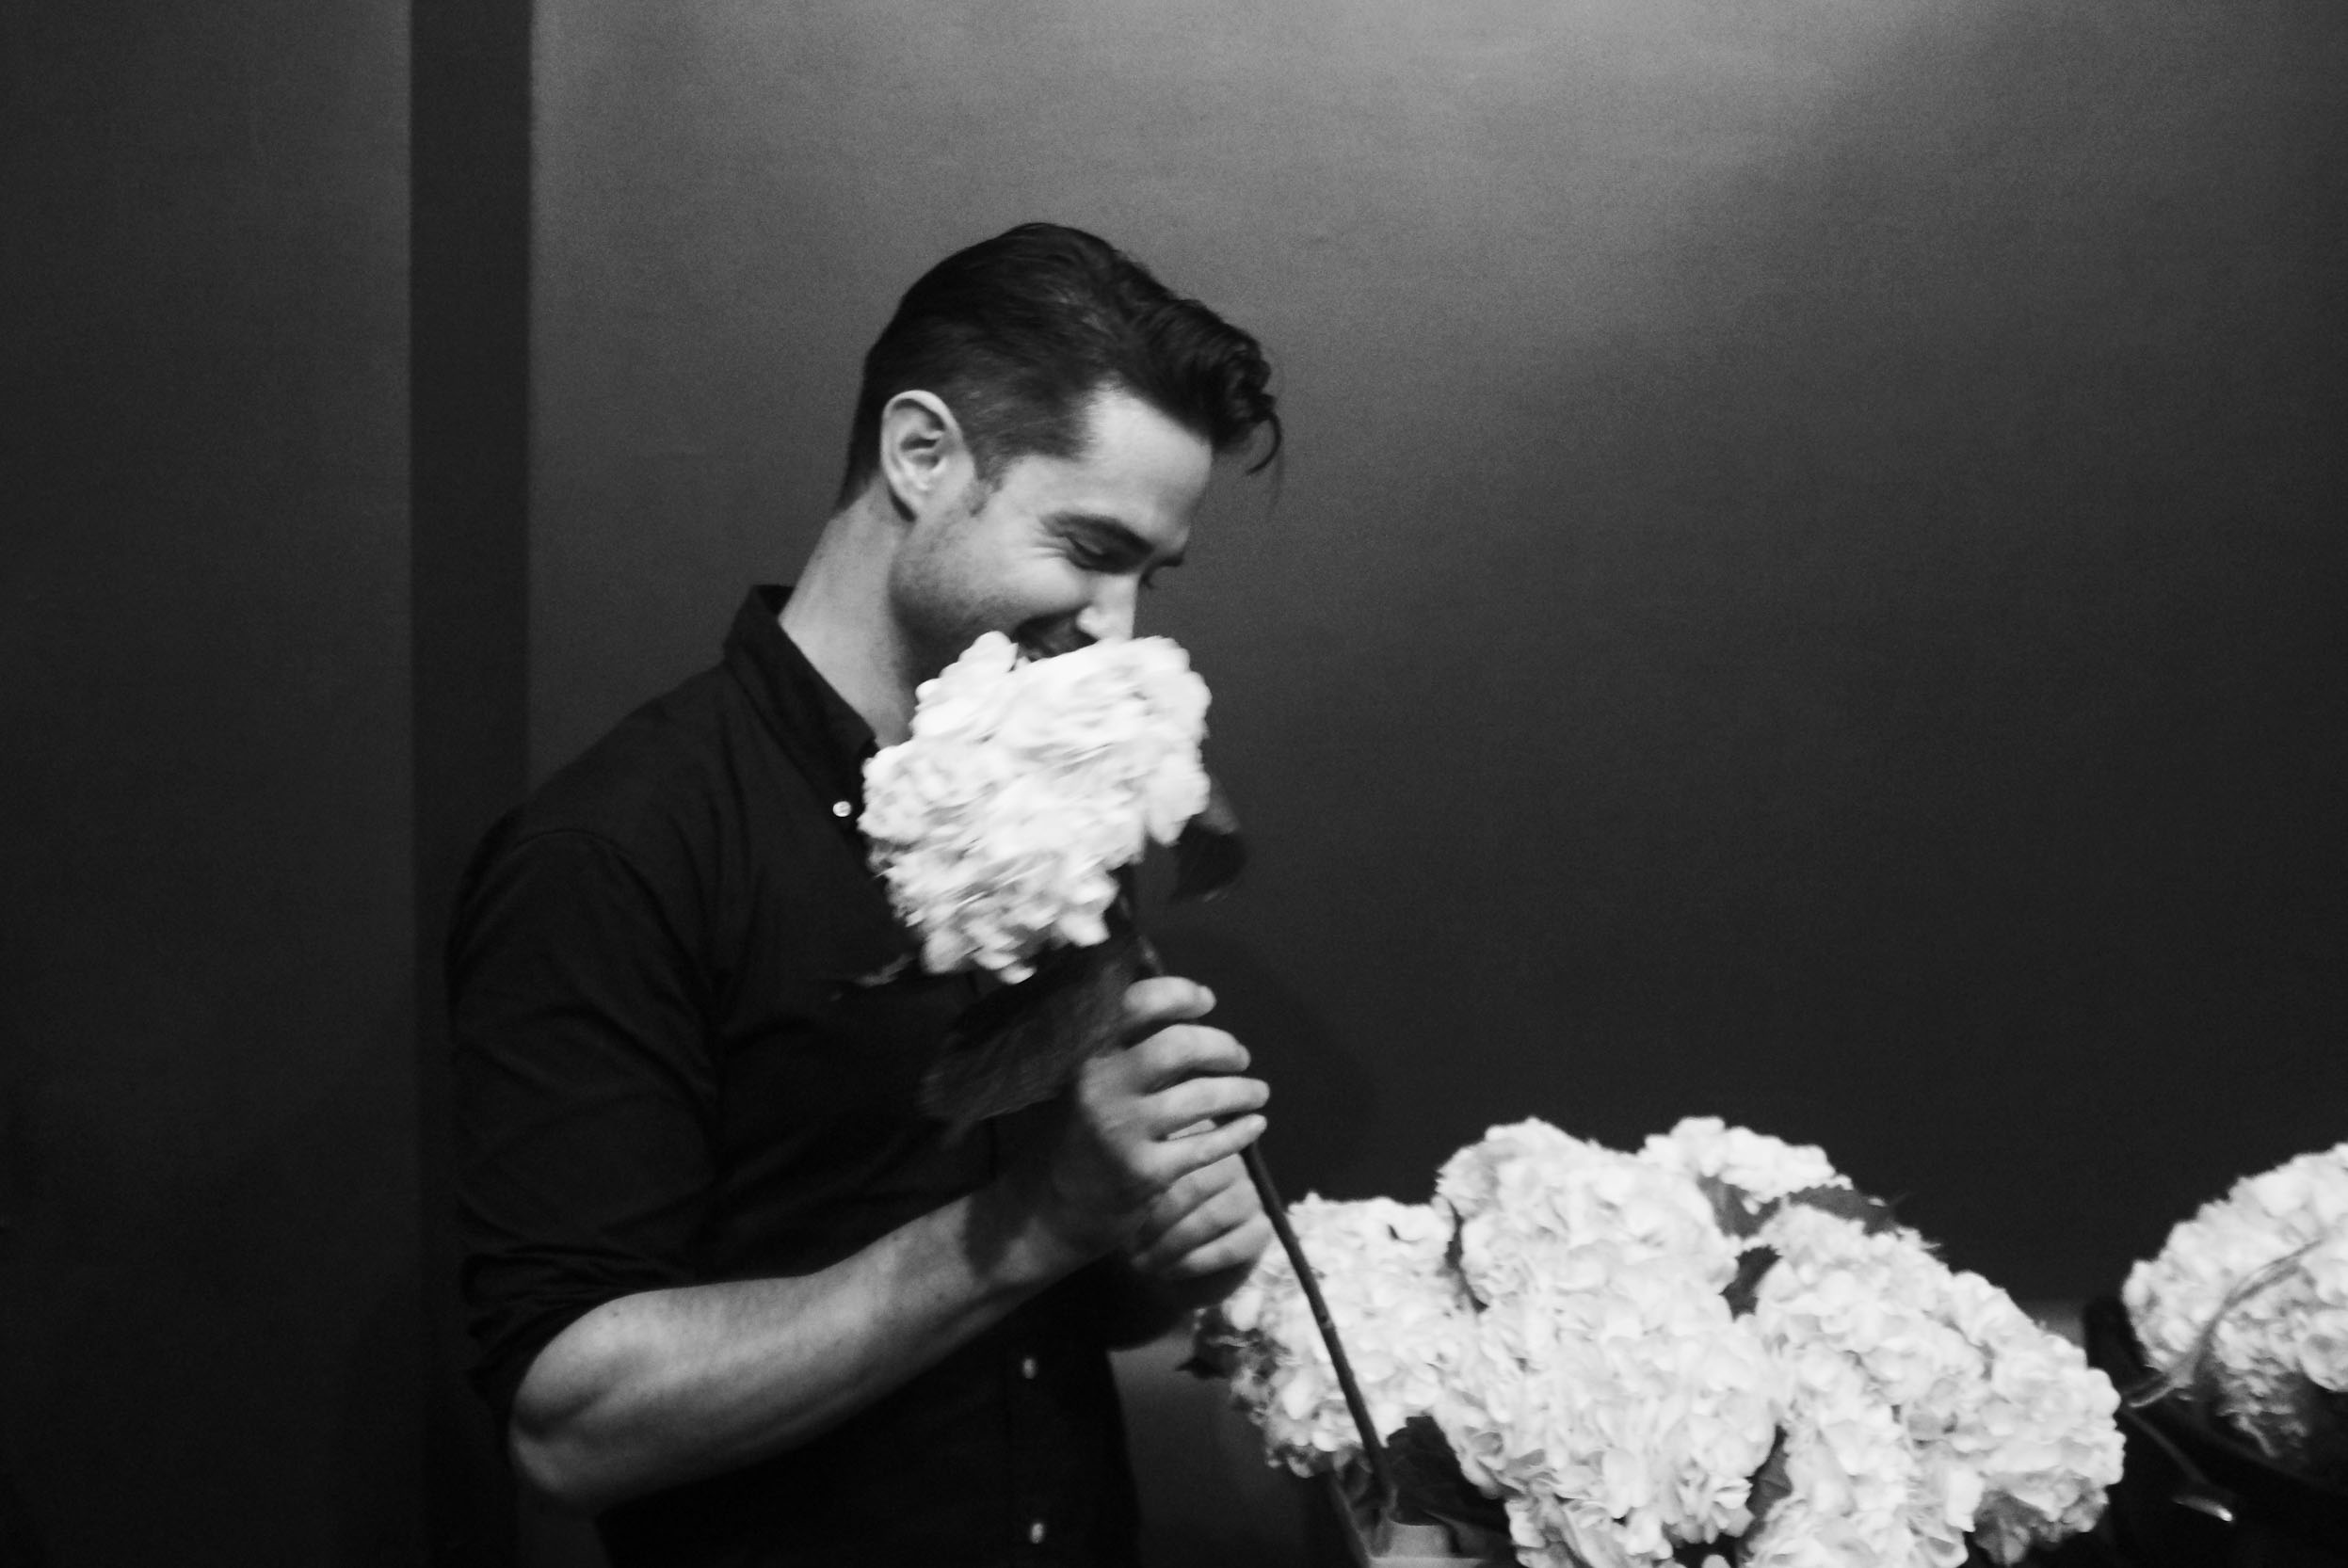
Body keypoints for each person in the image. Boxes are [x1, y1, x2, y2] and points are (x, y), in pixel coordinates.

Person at [449, 222, 1285, 1566]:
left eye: (1151, 572)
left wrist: (1145, 1249)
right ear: (920, 455)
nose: (1119, 622)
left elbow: (1038, 1303)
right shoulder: (614, 849)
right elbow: (569, 1425)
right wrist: (1035, 1225)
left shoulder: (1071, 794)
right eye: (1087, 544)